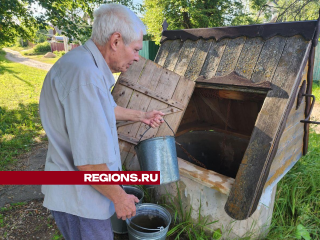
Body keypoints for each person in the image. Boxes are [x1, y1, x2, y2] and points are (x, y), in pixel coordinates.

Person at [39, 3, 164, 240]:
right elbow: (89, 164)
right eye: (136, 49)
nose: (138, 58)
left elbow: (106, 109)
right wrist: (119, 197)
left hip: (80, 194)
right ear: (116, 41)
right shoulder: (85, 79)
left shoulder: (84, 65)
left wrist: (142, 116)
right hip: (80, 201)